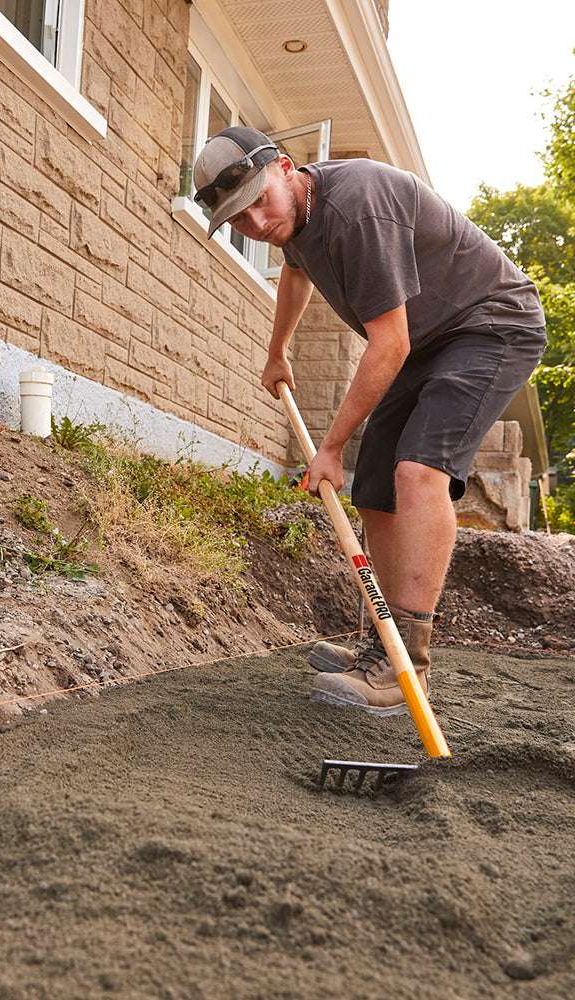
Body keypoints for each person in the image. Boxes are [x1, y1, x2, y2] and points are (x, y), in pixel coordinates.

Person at [191, 126, 546, 716]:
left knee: (418, 471)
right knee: (375, 486)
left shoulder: (356, 209)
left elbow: (389, 344)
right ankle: (384, 644)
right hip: (430, 341)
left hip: (491, 326)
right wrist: (278, 350)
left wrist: (330, 446)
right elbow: (297, 273)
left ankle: (409, 666)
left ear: (284, 167)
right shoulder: (296, 220)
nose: (254, 222)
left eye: (258, 202)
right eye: (238, 219)